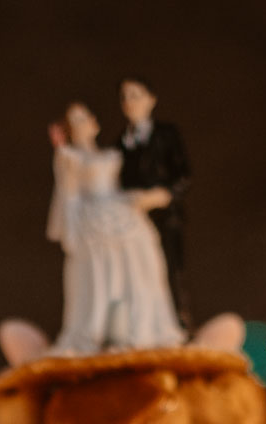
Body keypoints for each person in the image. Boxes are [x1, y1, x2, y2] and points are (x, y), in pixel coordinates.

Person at [46, 102, 185, 355]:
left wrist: (147, 196)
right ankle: (104, 333)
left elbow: (123, 183)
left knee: (141, 271)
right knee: (102, 279)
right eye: (76, 119)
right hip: (95, 224)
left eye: (86, 115)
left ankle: (142, 329)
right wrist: (74, 232)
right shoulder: (70, 157)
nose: (85, 121)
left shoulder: (112, 153)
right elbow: (70, 197)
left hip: (125, 214)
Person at [115, 77, 191, 332]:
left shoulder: (166, 134)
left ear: (151, 99)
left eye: (136, 94)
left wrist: (164, 195)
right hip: (131, 222)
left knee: (169, 269)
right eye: (125, 96)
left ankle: (179, 324)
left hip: (165, 216)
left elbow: (184, 174)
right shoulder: (119, 144)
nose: (129, 101)